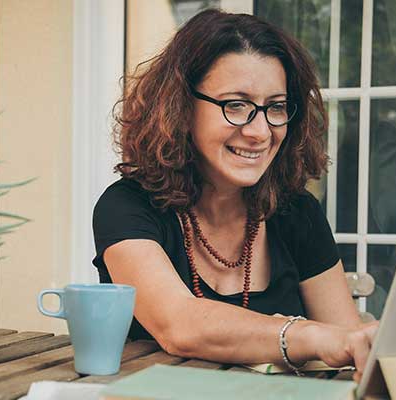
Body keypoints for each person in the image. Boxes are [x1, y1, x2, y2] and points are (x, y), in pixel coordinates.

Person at [92, 9, 377, 381]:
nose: (260, 131)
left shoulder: (297, 211)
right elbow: (179, 325)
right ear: (181, 106)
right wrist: (307, 334)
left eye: (275, 107)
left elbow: (348, 343)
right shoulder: (126, 206)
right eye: (236, 105)